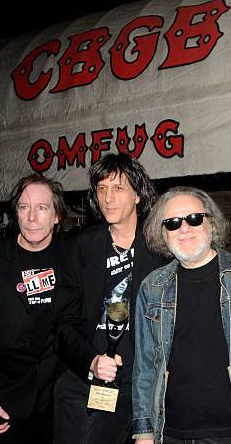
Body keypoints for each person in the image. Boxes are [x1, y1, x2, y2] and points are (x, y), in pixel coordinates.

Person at [133, 186, 231, 444]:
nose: (184, 229)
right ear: (163, 233)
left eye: (194, 218)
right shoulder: (152, 287)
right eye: (172, 223)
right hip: (169, 433)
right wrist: (144, 430)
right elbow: (144, 368)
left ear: (211, 223)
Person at [54, 153, 165, 444]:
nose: (108, 198)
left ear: (138, 195)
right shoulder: (79, 246)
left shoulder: (160, 249)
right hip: (84, 379)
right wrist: (91, 361)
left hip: (137, 383)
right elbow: (63, 322)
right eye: (101, 189)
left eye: (118, 188)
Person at [0, 174, 68, 443]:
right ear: (16, 213)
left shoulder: (73, 258)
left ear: (57, 216)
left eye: (42, 208)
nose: (32, 217)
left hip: (59, 402)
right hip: (5, 401)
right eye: (24, 207)